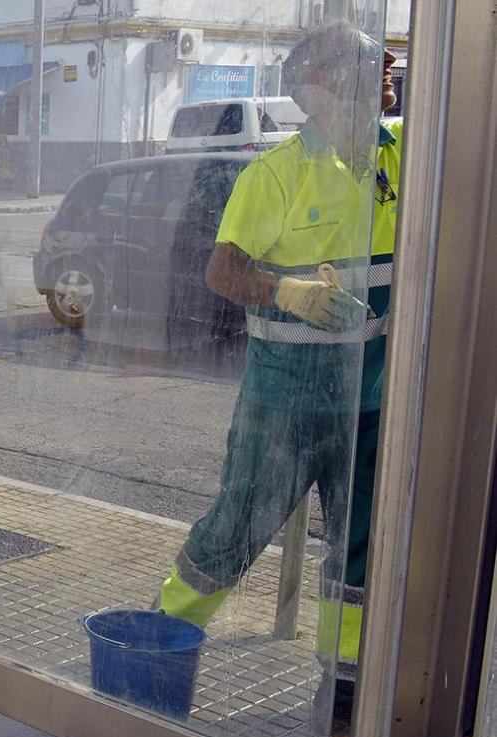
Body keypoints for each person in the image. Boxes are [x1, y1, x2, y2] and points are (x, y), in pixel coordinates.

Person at [155, 23, 401, 699]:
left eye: (384, 61)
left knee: (360, 551)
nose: (387, 68)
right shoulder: (276, 174)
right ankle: (160, 648)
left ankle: (344, 689)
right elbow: (221, 272)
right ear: (317, 88)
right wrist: (287, 291)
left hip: (375, 405)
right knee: (234, 531)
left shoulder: (405, 154)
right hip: (284, 402)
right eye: (364, 62)